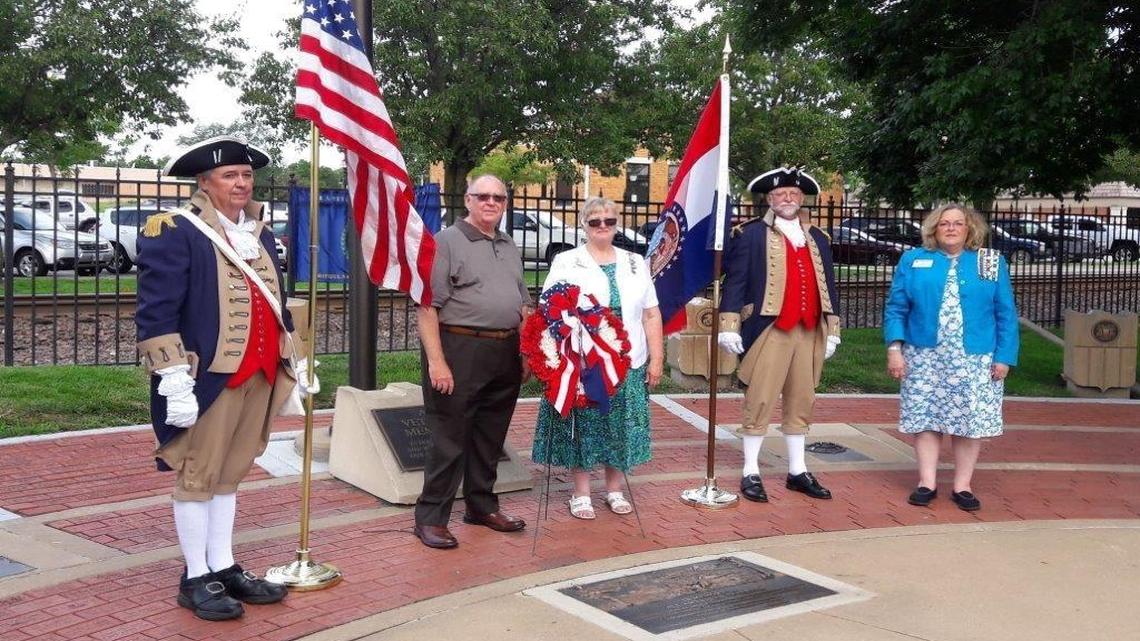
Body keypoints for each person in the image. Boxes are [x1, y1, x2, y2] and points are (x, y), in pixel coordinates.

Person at [136, 136, 317, 620]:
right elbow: (156, 313)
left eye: (246, 175)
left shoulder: (256, 232)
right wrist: (173, 377)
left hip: (257, 372)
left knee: (231, 474)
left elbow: (276, 303)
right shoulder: (174, 230)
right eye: (229, 176)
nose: (241, 183)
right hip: (208, 377)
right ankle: (195, 575)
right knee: (199, 475)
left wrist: (293, 359)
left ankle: (223, 564)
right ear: (204, 181)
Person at [413, 174, 532, 549]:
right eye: (483, 196)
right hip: (460, 348)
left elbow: (524, 303)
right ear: (468, 200)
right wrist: (437, 362)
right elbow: (428, 306)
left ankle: (481, 505)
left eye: (499, 197)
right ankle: (431, 518)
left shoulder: (508, 243)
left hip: (504, 351)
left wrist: (526, 352)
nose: (491, 202)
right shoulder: (446, 241)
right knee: (450, 438)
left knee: (489, 436)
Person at [531, 198, 664, 519]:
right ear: (583, 226)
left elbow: (651, 313)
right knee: (585, 426)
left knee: (620, 425)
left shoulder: (636, 262)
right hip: (585, 361)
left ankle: (615, 490)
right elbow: (551, 309)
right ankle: (581, 493)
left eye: (609, 221)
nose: (602, 227)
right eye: (594, 222)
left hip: (629, 359)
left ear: (616, 223)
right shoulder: (566, 261)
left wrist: (657, 357)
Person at [717, 167, 842, 503]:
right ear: (769, 199)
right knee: (760, 399)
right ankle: (749, 470)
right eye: (780, 194)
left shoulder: (819, 238)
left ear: (801, 198)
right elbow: (735, 283)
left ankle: (798, 471)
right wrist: (729, 326)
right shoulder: (750, 234)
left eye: (793, 194)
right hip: (770, 328)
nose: (787, 199)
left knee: (802, 400)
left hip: (809, 329)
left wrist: (833, 330)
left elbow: (828, 286)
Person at [884, 203, 1018, 512]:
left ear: (970, 229)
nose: (951, 228)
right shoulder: (914, 259)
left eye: (958, 223)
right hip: (924, 355)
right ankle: (926, 482)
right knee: (926, 418)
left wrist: (1004, 356)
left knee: (968, 421)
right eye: (944, 223)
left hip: (974, 358)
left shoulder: (990, 262)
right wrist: (894, 349)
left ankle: (962, 485)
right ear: (934, 228)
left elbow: (1005, 314)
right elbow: (896, 308)